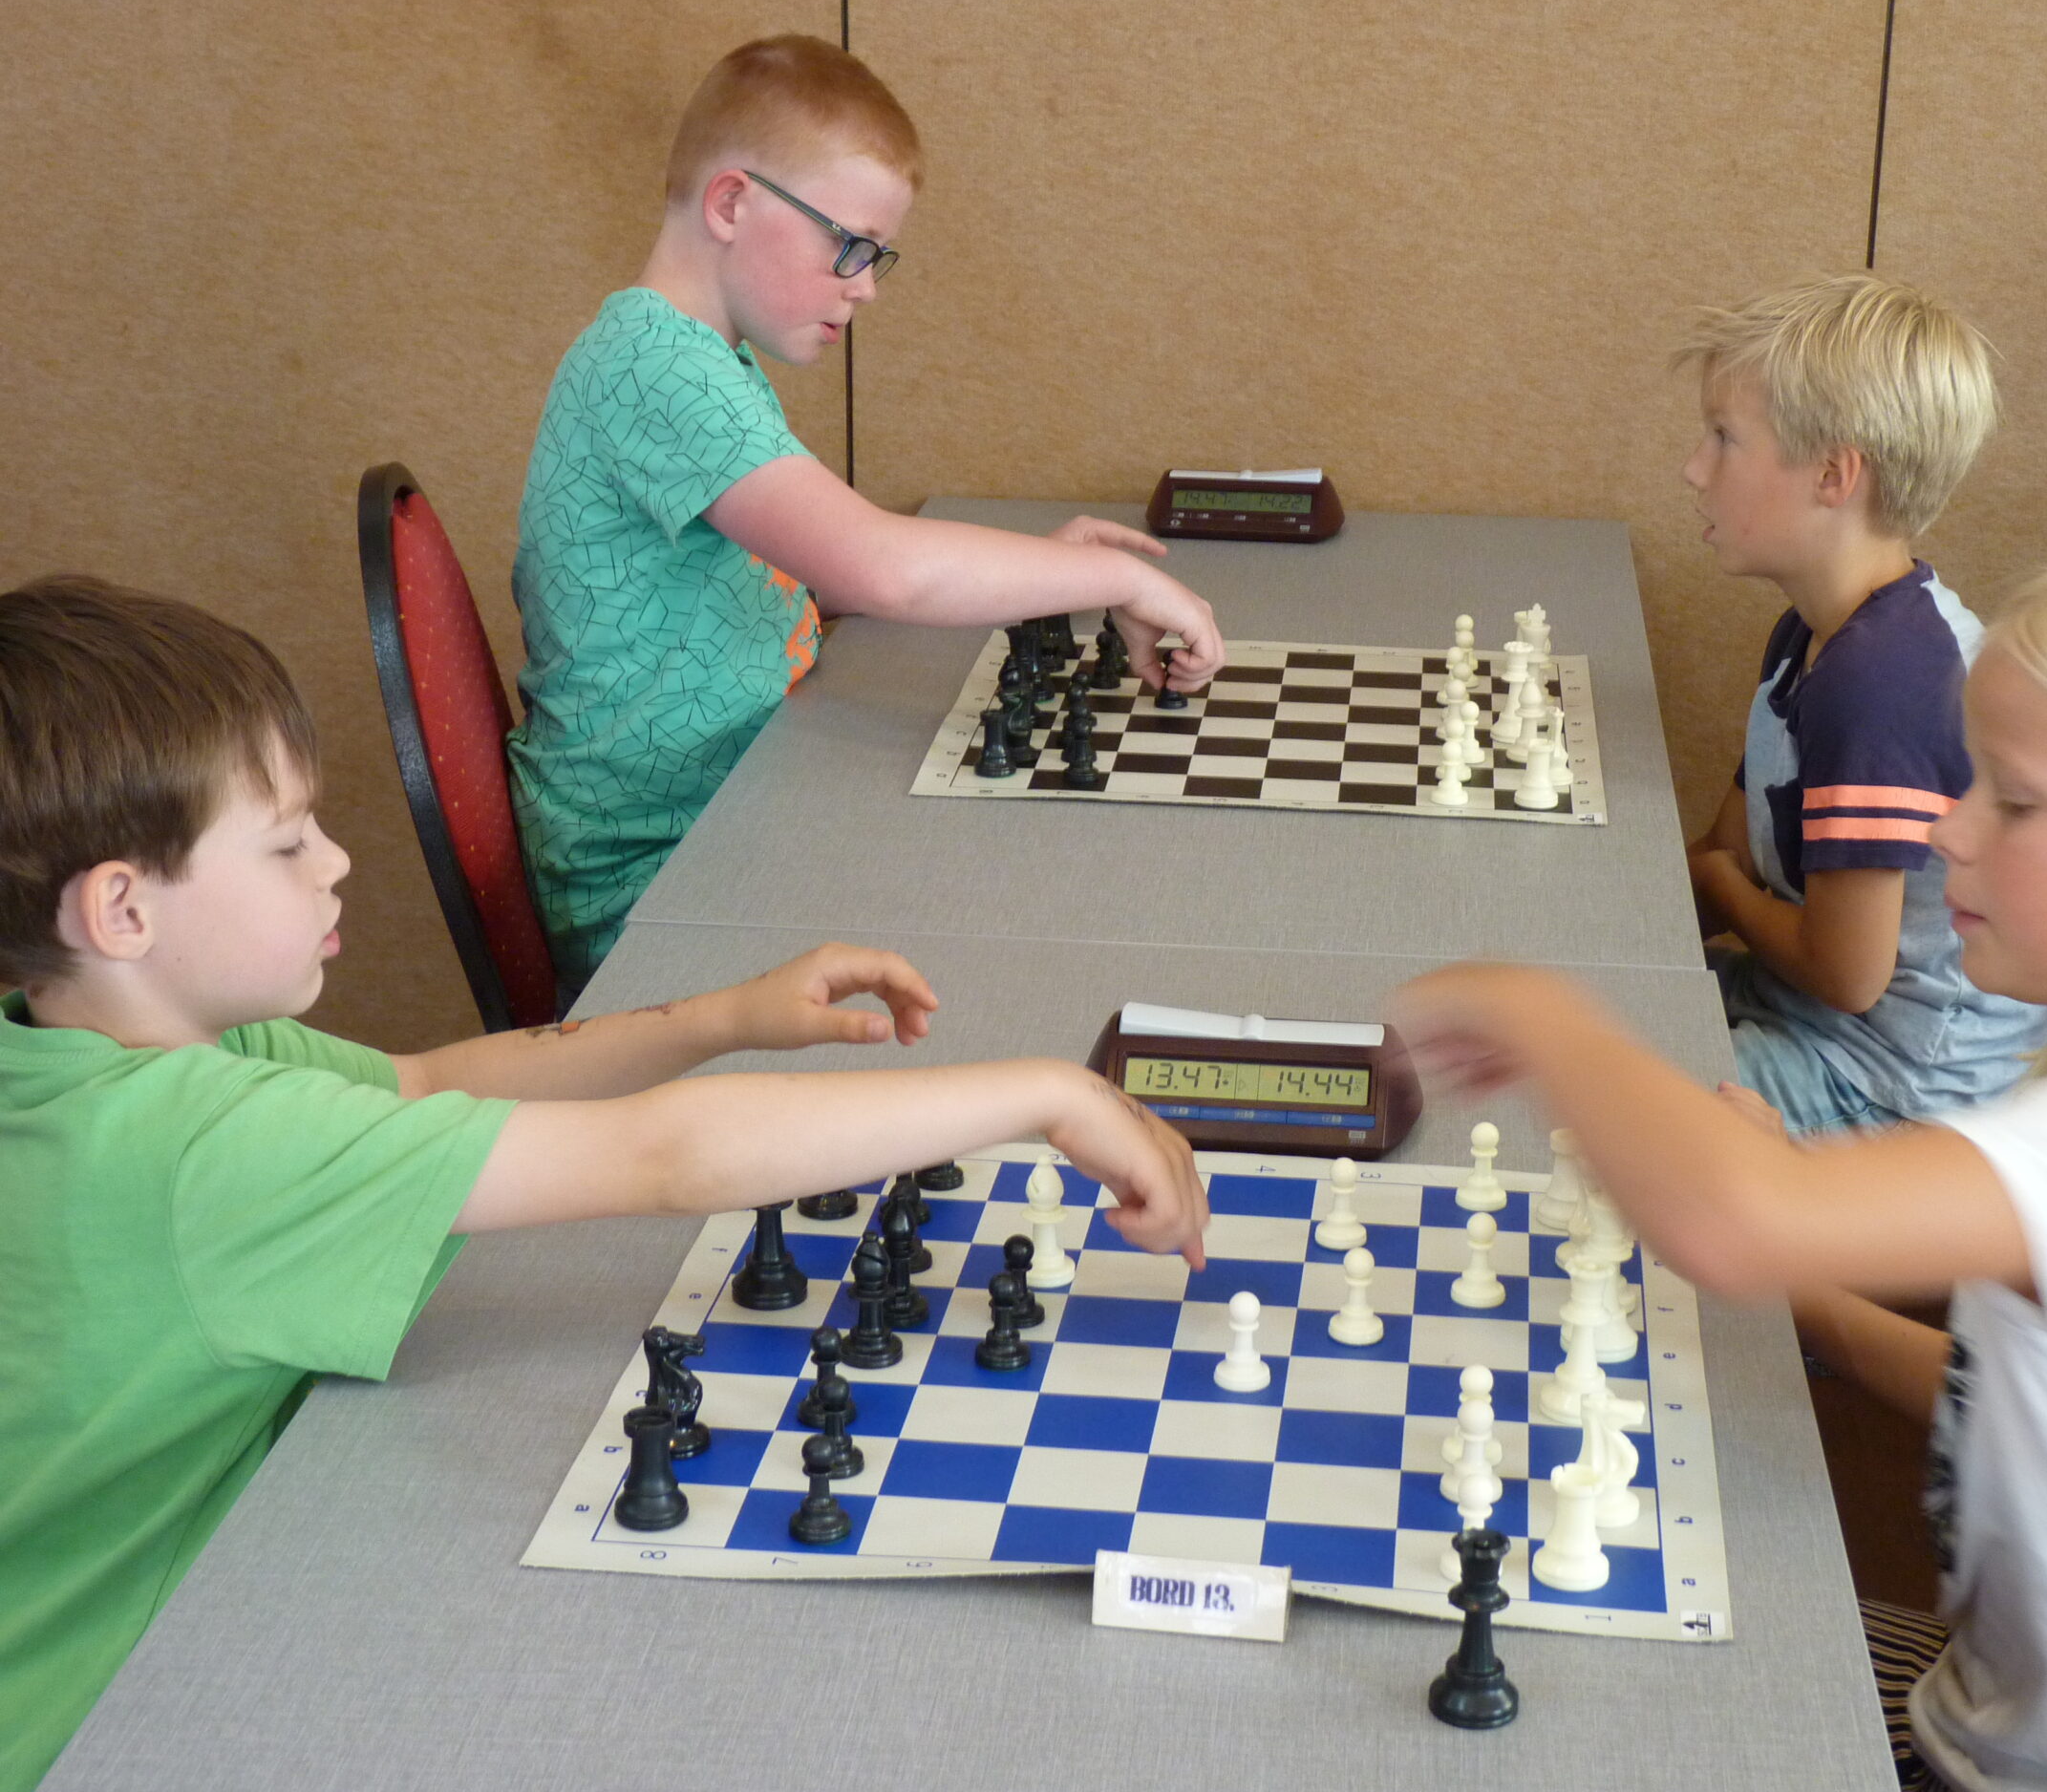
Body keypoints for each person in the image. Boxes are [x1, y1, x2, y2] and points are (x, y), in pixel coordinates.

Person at [0, 577, 1207, 1792]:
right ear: (121, 909)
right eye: (286, 842)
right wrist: (1046, 1096)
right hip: (101, 1719)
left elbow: (425, 1084)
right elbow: (665, 1157)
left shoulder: (97, 1050)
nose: (337, 858)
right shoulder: (199, 1148)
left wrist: (722, 1019)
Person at [1392, 542, 2047, 1791]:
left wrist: (1538, 1012)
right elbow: (2011, 1404)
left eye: (2014, 802)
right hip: (1999, 1726)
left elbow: (1733, 1222)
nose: (1948, 825)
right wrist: (1816, 1296)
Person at [510, 33, 1227, 993]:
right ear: (732, 203)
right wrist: (1118, 577)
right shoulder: (657, 368)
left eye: (878, 255)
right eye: (848, 245)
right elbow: (878, 568)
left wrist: (1033, 571)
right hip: (662, 885)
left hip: (740, 805)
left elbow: (814, 561)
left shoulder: (697, 354)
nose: (866, 285)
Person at [1676, 273, 2047, 1133]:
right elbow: (1729, 850)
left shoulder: (1882, 682)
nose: (1693, 468)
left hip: (1898, 1081)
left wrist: (1718, 888)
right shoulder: (1811, 633)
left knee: (1608, 1112)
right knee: (1583, 1020)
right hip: (1814, 1014)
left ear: (1833, 475)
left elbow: (1848, 974)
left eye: (1724, 438)